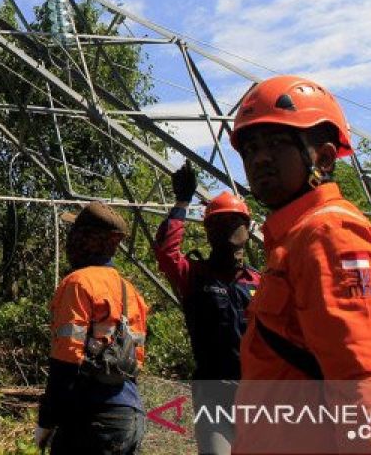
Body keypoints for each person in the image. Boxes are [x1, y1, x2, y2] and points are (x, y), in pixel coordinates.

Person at [230, 75, 371, 455]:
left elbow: (363, 382)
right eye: (249, 148)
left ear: (325, 157)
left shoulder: (331, 236)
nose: (259, 158)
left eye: (277, 143)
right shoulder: (294, 239)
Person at [154, 163, 259, 455]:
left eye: (233, 223)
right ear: (208, 231)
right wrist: (182, 203)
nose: (227, 231)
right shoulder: (194, 275)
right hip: (213, 392)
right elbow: (166, 251)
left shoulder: (261, 282)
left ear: (247, 229)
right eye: (218, 224)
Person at [36, 201, 148, 453]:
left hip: (93, 417)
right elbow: (135, 363)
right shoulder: (130, 291)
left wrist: (47, 420)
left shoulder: (78, 283)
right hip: (130, 415)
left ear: (86, 239)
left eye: (75, 233)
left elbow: (66, 360)